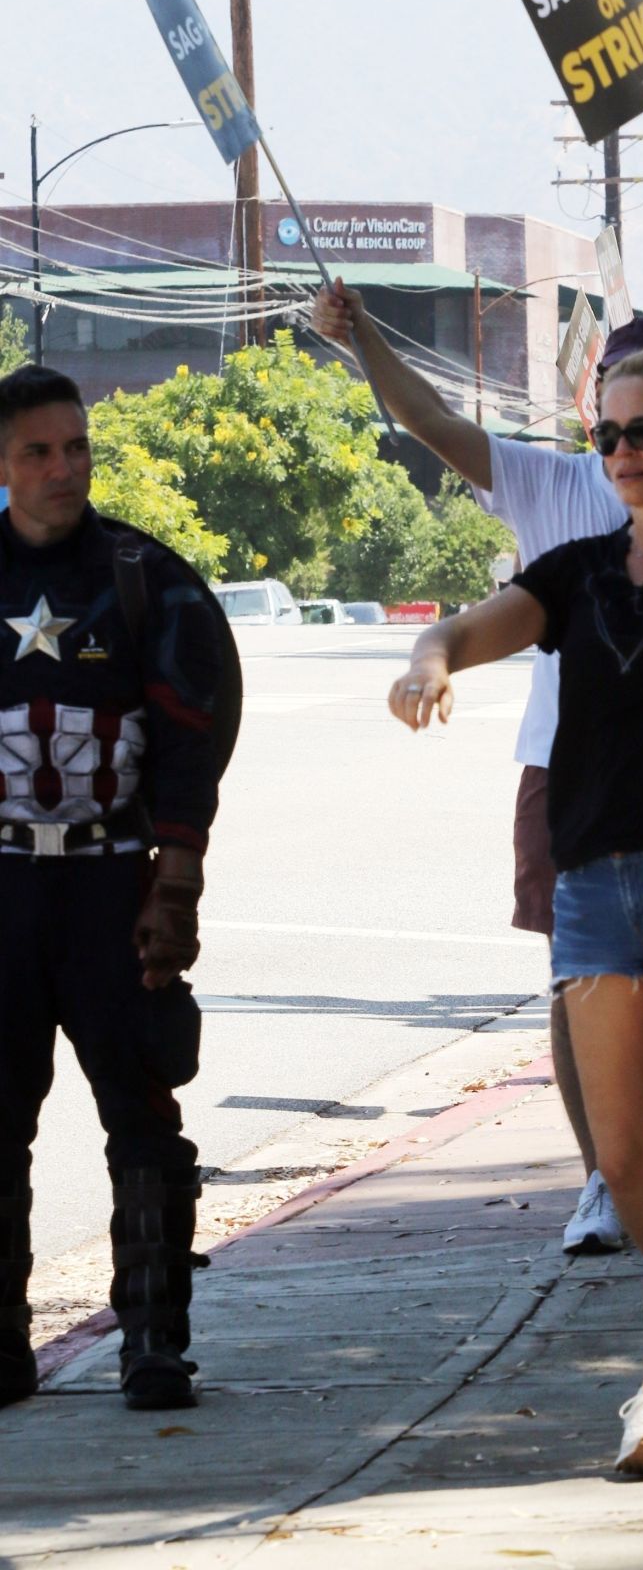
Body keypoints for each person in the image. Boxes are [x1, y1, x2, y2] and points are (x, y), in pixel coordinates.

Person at [389, 218, 643, 1478]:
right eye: (604, 434)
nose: (619, 452)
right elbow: (470, 626)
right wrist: (427, 658)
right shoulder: (572, 571)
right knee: (621, 1166)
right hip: (592, 893)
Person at [310, 288, 643, 1260]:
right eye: (613, 403)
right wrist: (363, 336)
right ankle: (605, 1182)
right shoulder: (550, 486)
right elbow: (431, 420)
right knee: (582, 981)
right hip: (563, 769)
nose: (627, 433)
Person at [0, 365, 223, 1412]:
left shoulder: (146, 577)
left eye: (74, 446)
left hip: (107, 888)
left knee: (141, 1110)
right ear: (2, 466)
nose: (62, 469)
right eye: (38, 451)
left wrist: (175, 878)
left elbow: (196, 727)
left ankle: (154, 1344)